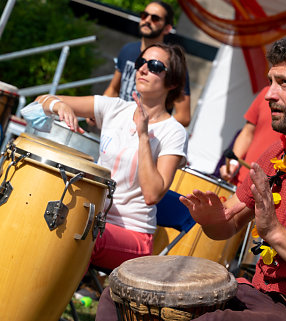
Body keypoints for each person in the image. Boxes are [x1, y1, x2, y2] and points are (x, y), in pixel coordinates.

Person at [95, 34, 286, 321]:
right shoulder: (277, 154)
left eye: (284, 84)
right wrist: (212, 218)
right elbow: (225, 226)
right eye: (270, 83)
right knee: (123, 295)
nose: (270, 95)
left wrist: (276, 233)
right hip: (259, 295)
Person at [35, 43, 189, 271]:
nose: (143, 70)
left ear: (173, 82)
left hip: (132, 234)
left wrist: (143, 135)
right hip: (92, 219)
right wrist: (59, 106)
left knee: (75, 233)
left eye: (154, 66)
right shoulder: (115, 108)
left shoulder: (173, 132)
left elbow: (152, 194)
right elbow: (42, 100)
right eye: (140, 63)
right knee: (41, 216)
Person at [103, 1, 191, 127]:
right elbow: (113, 89)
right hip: (116, 129)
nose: (147, 20)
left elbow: (184, 116)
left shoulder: (173, 63)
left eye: (155, 18)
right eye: (144, 15)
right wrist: (99, 111)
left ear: (167, 28)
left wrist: (149, 127)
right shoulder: (128, 50)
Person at [219, 86, 282, 186]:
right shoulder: (267, 92)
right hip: (240, 184)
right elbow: (248, 132)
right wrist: (233, 164)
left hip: (272, 190)